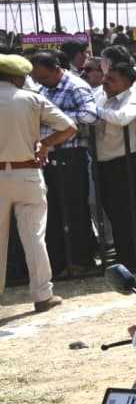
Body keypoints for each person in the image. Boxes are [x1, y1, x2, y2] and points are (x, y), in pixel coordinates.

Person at [0, 54, 75, 312]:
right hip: (27, 173)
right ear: (16, 77)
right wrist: (45, 144)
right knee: (34, 237)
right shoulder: (32, 99)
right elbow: (69, 127)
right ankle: (43, 295)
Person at [30, 50, 99, 274]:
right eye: (37, 78)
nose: (40, 81)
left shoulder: (75, 86)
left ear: (57, 70)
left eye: (44, 76)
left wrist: (58, 119)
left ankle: (82, 261)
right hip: (49, 156)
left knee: (75, 210)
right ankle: (60, 263)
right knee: (54, 212)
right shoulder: (43, 88)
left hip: (71, 155)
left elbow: (90, 115)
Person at [93, 62, 136, 272]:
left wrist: (95, 112)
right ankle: (124, 256)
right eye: (105, 78)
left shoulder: (133, 98)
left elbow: (123, 118)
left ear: (126, 82)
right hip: (103, 162)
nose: (105, 82)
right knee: (113, 212)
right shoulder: (101, 96)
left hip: (126, 161)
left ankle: (133, 259)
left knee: (126, 211)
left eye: (111, 79)